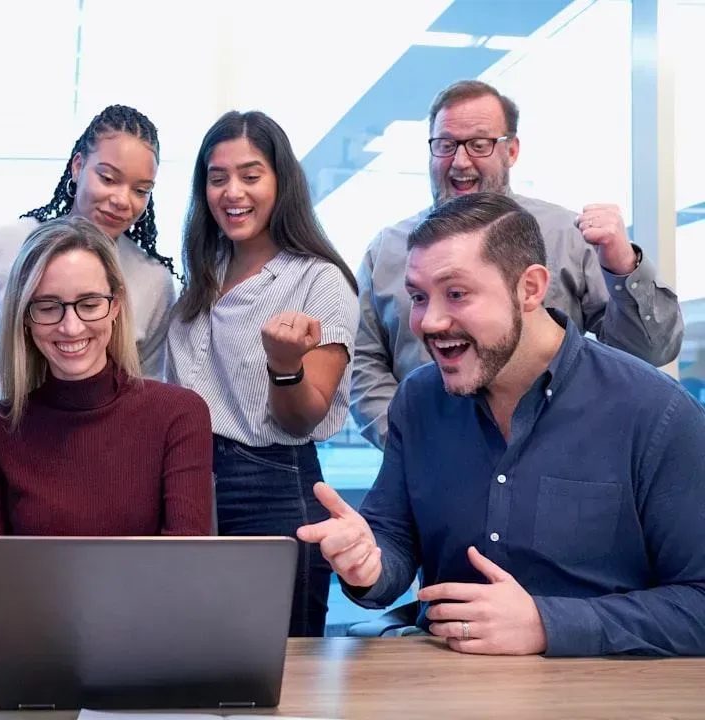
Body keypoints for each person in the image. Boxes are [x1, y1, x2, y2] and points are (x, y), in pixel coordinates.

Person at [299, 193, 705, 657]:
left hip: (598, 694)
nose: (428, 322)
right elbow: (393, 540)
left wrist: (549, 625)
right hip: (446, 685)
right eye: (417, 297)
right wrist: (367, 564)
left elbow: (699, 602)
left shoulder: (655, 412)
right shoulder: (419, 399)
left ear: (530, 289)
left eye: (456, 294)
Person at [350, 79, 684, 449]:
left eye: (480, 144)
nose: (460, 162)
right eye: (445, 145)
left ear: (511, 151)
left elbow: (647, 355)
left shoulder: (568, 236)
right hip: (429, 470)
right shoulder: (387, 250)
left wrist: (623, 267)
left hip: (556, 459)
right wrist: (411, 443)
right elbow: (364, 366)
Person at [0, 216, 212, 639]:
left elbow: (182, 569)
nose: (70, 326)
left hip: (145, 650)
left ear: (115, 306)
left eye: (89, 303)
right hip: (31, 653)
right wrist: (7, 661)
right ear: (25, 317)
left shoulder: (178, 415)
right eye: (48, 306)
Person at [167, 111, 360, 637]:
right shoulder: (202, 274)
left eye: (251, 176)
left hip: (273, 484)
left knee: (278, 669)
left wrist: (283, 366)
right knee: (190, 655)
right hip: (190, 481)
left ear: (281, 182)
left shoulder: (319, 281)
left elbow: (303, 418)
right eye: (217, 177)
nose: (233, 192)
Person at [0, 104, 178, 424]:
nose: (123, 200)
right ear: (78, 166)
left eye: (141, 190)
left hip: (92, 457)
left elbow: (145, 391)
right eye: (108, 178)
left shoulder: (153, 281)